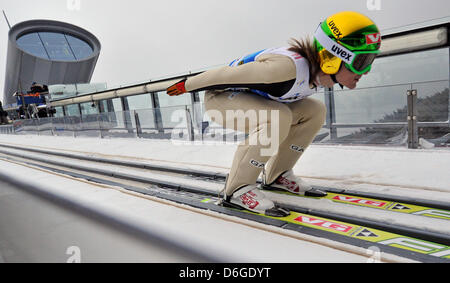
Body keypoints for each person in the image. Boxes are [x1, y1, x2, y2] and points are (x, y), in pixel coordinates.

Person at [167, 11, 382, 216]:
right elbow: (225, 74)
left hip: (255, 99)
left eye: (370, 61)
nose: (366, 70)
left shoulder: (314, 74)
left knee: (315, 110)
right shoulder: (286, 68)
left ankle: (277, 175)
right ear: (333, 57)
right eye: (361, 62)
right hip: (220, 98)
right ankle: (237, 189)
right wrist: (187, 85)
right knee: (278, 116)